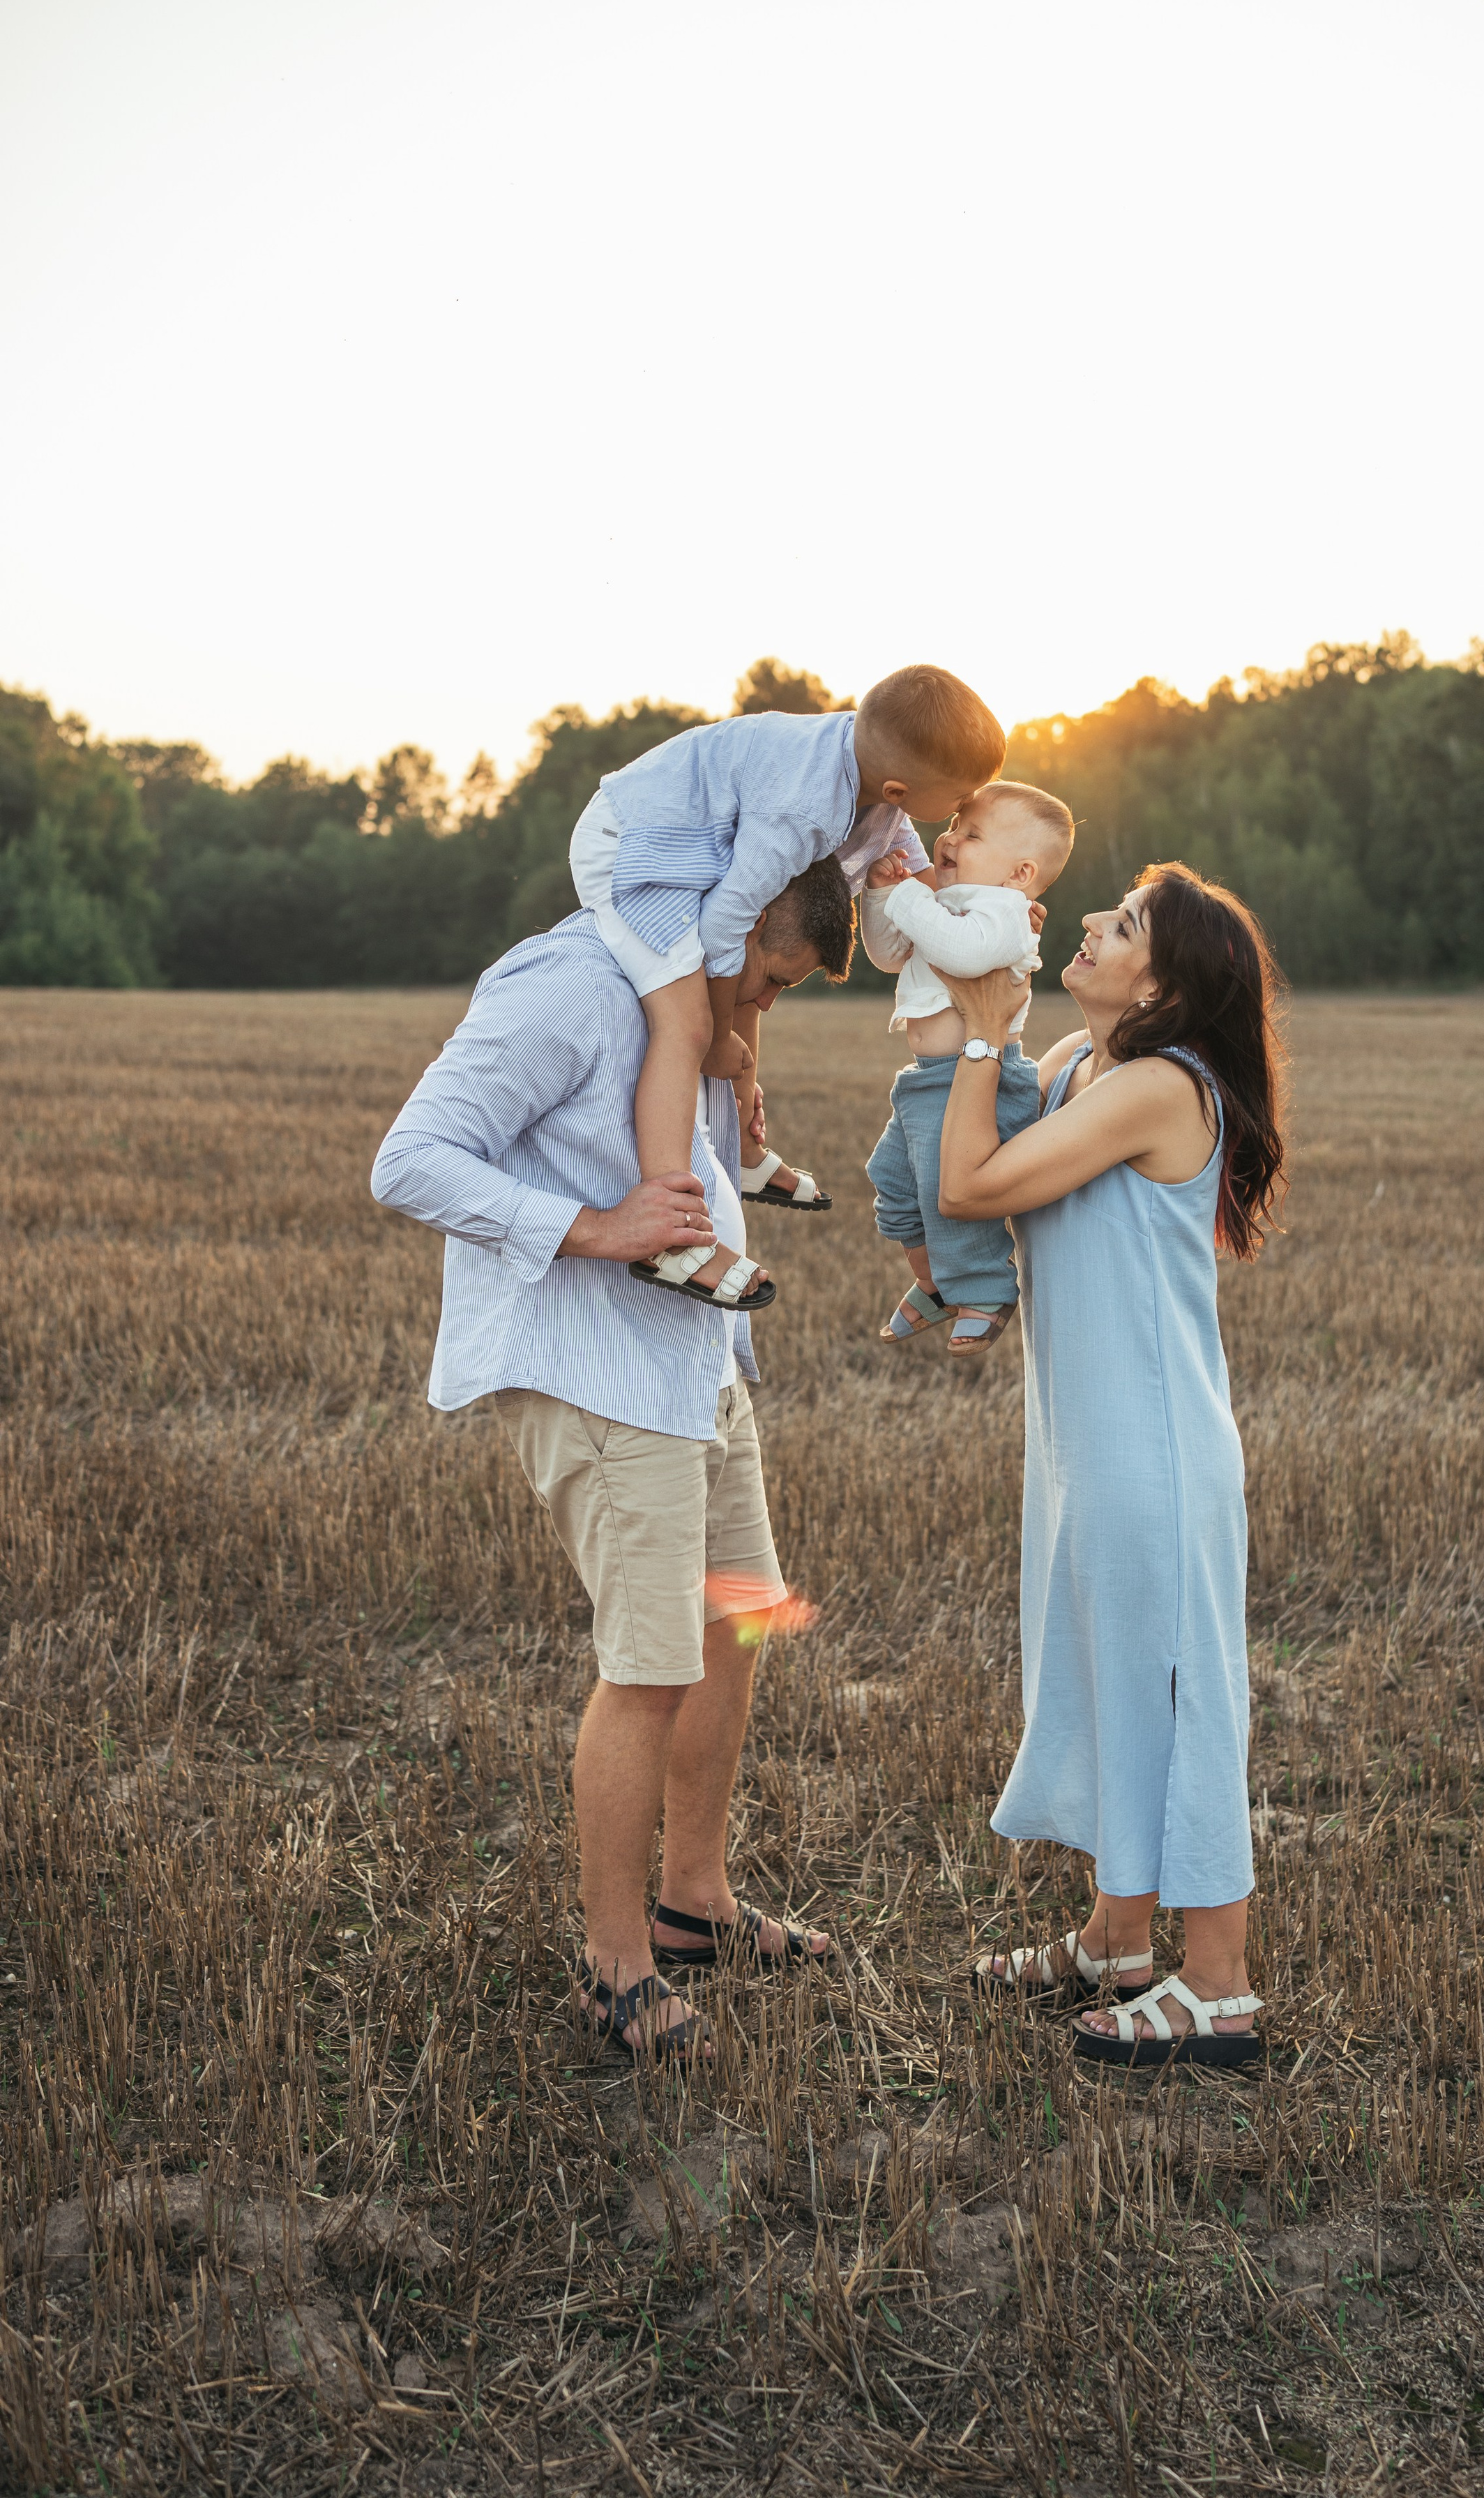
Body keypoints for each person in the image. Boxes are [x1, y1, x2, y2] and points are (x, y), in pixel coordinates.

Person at [368, 859, 854, 2063]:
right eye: (774, 977)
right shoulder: (567, 984)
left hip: (694, 1363)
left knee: (738, 1622)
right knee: (648, 1667)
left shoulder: (681, 996)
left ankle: (694, 1904)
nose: (768, 1004)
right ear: (734, 926)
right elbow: (411, 1160)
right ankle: (615, 1968)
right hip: (601, 1374)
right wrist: (594, 1231)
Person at [936, 863, 1287, 2068]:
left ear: (1168, 985)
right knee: (1097, 1682)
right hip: (1083, 1449)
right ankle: (1117, 1942)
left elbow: (972, 1180)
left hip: (1155, 1453)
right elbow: (959, 1191)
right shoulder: (1080, 1073)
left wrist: (988, 1038)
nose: (1091, 924)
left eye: (1122, 924)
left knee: (1181, 1700)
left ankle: (1222, 1988)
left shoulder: (1156, 1090)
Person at [567, 664, 1006, 1308]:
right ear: (898, 786)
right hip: (636, 845)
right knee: (685, 1024)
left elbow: (913, 860)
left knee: (752, 978)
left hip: (695, 842)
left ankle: (743, 1151)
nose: (965, 809)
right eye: (962, 797)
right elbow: (724, 924)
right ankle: (671, 1236)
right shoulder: (802, 809)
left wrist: (988, 913)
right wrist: (718, 1037)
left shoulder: (872, 781)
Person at [858, 780, 1075, 1358]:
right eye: (955, 824)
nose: (950, 838)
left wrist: (911, 899)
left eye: (972, 834)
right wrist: (882, 898)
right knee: (895, 1187)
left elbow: (964, 954)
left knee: (948, 1195)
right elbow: (887, 954)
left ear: (1019, 874)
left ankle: (985, 1287)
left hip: (977, 1077)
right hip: (927, 1078)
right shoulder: (948, 903)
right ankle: (933, 1284)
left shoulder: (1005, 914)